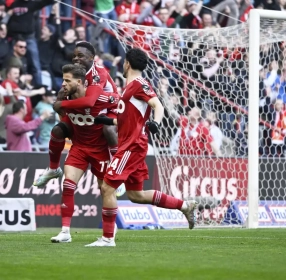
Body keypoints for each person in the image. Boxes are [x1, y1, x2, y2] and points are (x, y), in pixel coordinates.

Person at [86, 48, 198, 247]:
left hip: (131, 146)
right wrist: (105, 120)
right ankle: (185, 206)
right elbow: (129, 120)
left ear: (127, 63)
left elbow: (158, 105)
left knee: (107, 188)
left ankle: (108, 238)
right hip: (130, 144)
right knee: (136, 195)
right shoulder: (129, 88)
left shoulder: (139, 84)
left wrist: (156, 122)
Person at [49, 64, 120, 243]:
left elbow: (122, 104)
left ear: (79, 82)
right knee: (68, 185)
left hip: (101, 150)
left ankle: (110, 230)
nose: (63, 84)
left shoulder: (100, 97)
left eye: (67, 80)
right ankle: (65, 232)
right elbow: (63, 119)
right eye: (63, 80)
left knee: (106, 191)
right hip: (79, 148)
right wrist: (59, 104)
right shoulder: (64, 97)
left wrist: (117, 123)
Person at [33, 41, 119, 187]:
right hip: (83, 108)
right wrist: (61, 106)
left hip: (107, 106)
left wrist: (61, 104)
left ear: (92, 57)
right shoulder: (73, 71)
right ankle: (53, 169)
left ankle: (116, 169)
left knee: (108, 129)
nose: (76, 59)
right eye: (74, 56)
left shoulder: (99, 73)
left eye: (81, 56)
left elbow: (90, 101)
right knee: (58, 129)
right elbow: (63, 97)